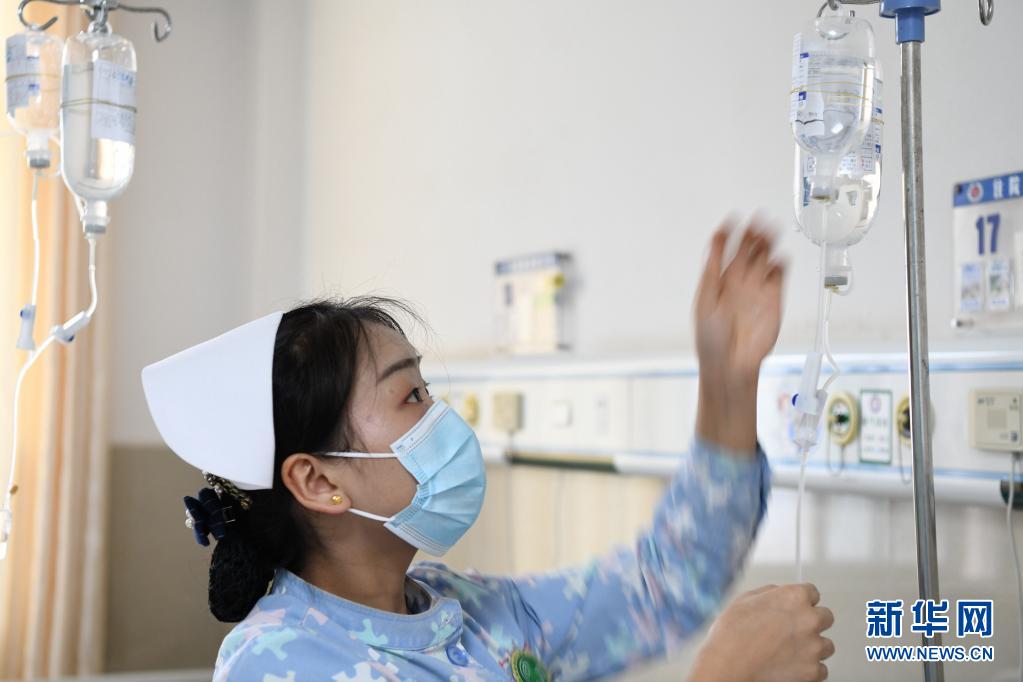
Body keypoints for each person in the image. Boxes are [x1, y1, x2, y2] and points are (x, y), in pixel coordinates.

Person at [141, 219, 835, 681]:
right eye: (410, 396)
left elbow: (664, 585)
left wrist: (727, 382)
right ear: (319, 482)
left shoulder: (468, 614)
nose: (443, 419)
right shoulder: (278, 664)